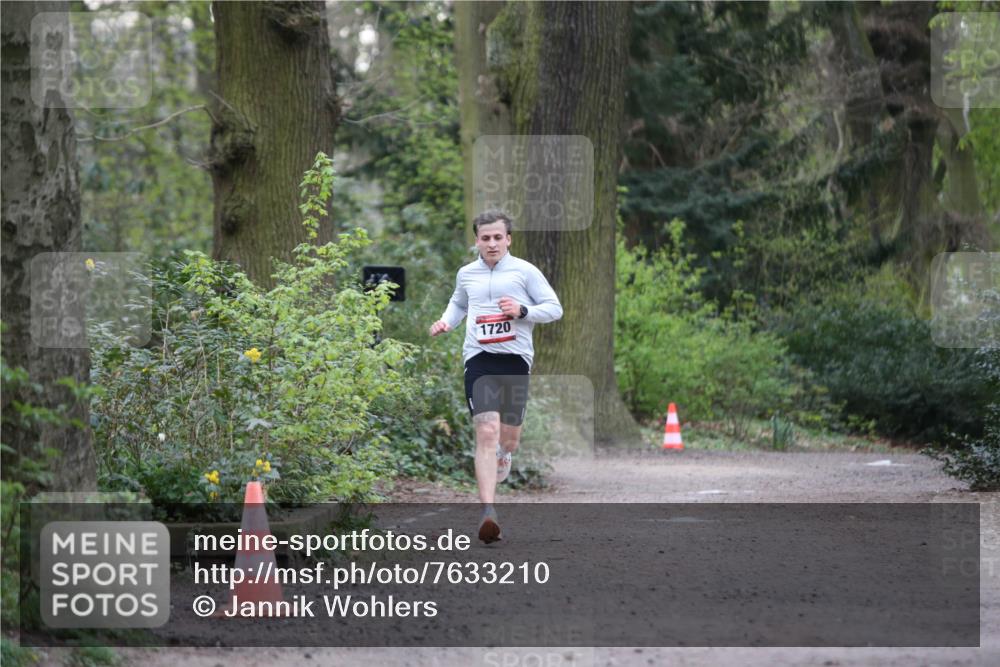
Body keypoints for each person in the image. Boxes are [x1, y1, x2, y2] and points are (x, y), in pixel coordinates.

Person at [429, 210, 563, 543]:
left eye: (497, 237)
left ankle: (506, 454)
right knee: (486, 432)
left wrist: (522, 311)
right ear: (477, 240)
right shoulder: (466, 274)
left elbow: (554, 308)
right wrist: (447, 321)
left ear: (508, 239)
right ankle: (488, 511)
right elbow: (459, 304)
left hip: (516, 360)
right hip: (479, 359)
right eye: (485, 238)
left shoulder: (525, 272)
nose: (491, 243)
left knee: (508, 438)